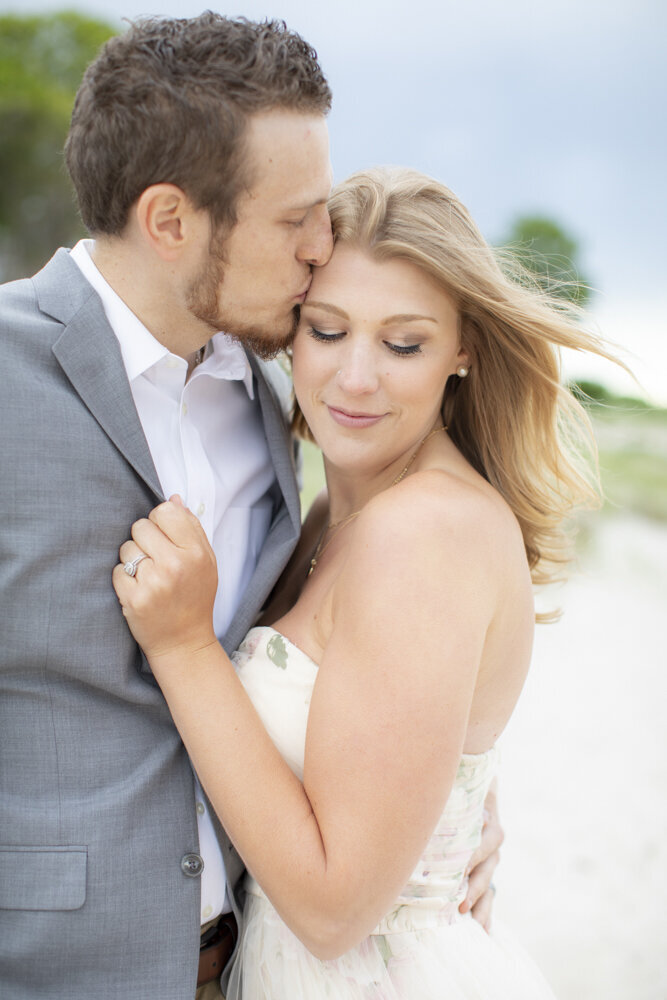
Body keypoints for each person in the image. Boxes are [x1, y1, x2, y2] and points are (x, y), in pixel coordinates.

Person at [0, 16, 499, 1000]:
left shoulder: (276, 396)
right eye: (294, 219)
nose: (323, 248)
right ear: (173, 222)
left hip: (242, 966)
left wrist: (437, 794)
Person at [113, 166, 616, 998]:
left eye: (402, 342)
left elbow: (333, 908)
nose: (353, 378)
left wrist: (184, 645)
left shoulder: (421, 532)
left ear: (462, 349)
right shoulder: (333, 515)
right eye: (327, 330)